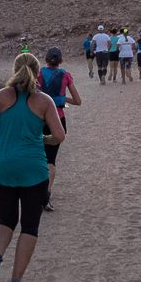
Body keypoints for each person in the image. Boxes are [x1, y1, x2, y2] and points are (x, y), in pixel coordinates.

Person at [0, 53, 64, 282]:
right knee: (30, 225)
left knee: (5, 219)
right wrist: (42, 139)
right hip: (33, 171)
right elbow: (60, 136)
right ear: (38, 73)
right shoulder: (44, 101)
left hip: (2, 168)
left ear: (14, 70)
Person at [35, 47, 81, 212]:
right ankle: (46, 194)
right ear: (61, 61)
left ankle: (31, 191)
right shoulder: (66, 76)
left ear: (45, 60)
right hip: (57, 119)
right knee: (50, 159)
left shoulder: (38, 74)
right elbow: (77, 101)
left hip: (37, 118)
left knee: (35, 155)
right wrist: (60, 98)